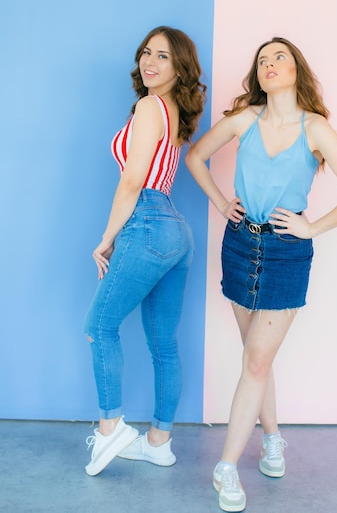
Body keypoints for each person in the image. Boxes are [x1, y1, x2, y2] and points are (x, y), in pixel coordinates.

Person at [185, 36, 337, 512]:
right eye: (262, 60)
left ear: (296, 70)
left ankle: (225, 468)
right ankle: (272, 439)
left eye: (279, 57)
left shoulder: (316, 129)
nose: (269, 64)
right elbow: (195, 157)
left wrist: (311, 227)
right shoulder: (245, 120)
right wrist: (222, 201)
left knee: (255, 362)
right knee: (257, 359)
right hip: (240, 243)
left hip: (288, 251)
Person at [83, 26, 206, 477]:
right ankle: (159, 443)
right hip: (177, 231)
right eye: (146, 53)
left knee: (99, 324)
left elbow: (133, 181)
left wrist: (107, 236)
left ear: (180, 68)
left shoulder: (149, 106)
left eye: (163, 57)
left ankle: (111, 427)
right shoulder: (175, 110)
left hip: (149, 222)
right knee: (163, 344)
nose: (149, 63)